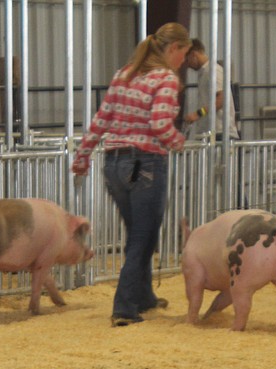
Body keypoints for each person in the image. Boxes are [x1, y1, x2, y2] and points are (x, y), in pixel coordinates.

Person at [70, 22, 190, 327]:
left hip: (114, 165)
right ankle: (124, 307)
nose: (183, 61)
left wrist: (83, 155)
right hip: (145, 163)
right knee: (143, 237)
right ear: (174, 49)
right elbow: (161, 124)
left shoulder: (124, 74)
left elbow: (101, 119)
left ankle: (144, 295)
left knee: (138, 232)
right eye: (183, 53)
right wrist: (179, 142)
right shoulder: (165, 78)